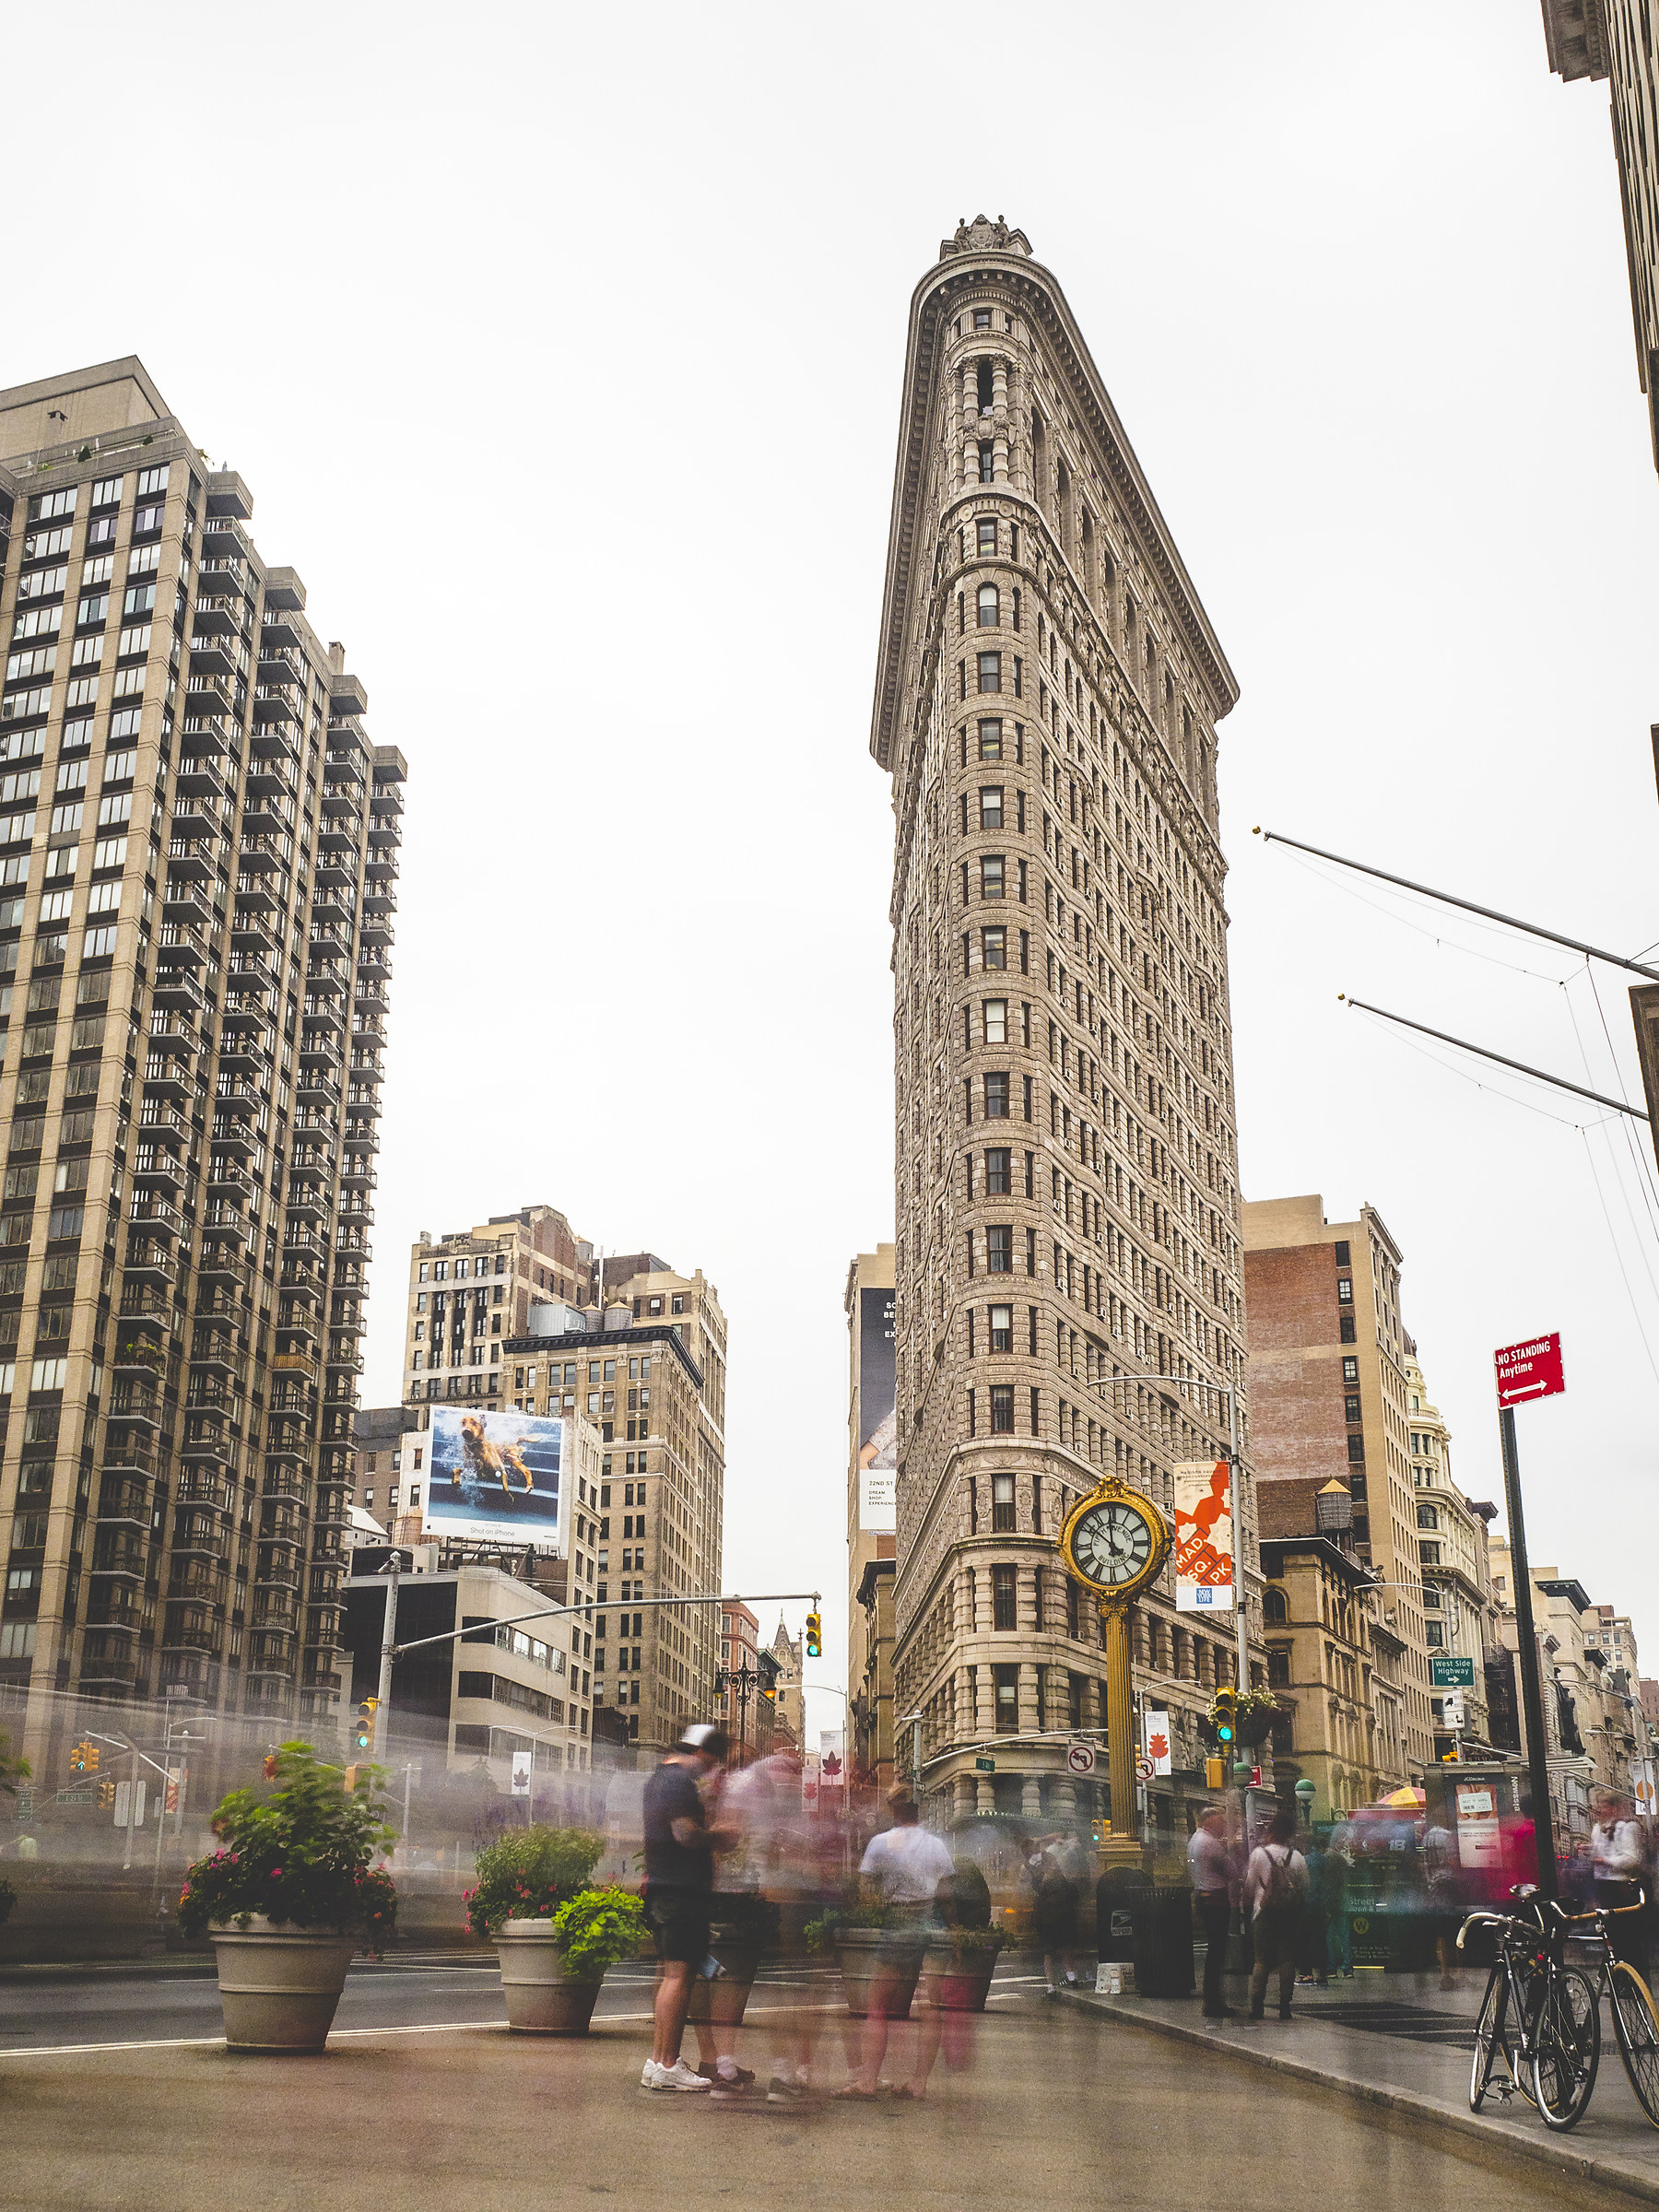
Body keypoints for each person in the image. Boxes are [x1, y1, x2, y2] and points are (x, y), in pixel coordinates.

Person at [836, 1786, 955, 2102]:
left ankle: (868, 2081)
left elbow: (866, 1889)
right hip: (933, 1919)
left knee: (877, 2004)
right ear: (919, 1810)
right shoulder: (937, 1845)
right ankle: (919, 2083)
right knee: (931, 2007)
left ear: (894, 1810)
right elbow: (947, 1892)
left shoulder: (881, 1842)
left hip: (900, 1919)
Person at [640, 1723, 729, 2092]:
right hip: (682, 1891)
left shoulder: (659, 1778)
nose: (710, 1770)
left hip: (664, 1887)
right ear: (702, 1752)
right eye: (712, 1761)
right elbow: (685, 1833)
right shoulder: (678, 1782)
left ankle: (658, 2061)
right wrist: (720, 1837)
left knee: (670, 1976)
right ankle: (668, 2063)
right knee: (679, 1977)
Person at [1244, 1807, 1308, 2022]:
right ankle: (1284, 2006)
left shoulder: (1259, 1854)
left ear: (1271, 1831)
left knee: (1261, 1960)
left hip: (1264, 1914)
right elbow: (1305, 1886)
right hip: (1289, 1915)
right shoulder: (1297, 1857)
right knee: (1287, 1959)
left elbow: (1250, 1885)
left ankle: (1257, 2006)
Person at [1588, 1792, 1649, 1974]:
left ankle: (1634, 1980)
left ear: (1614, 1808)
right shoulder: (1598, 1829)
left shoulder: (1626, 1827)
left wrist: (1607, 1861)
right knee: (1611, 1939)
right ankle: (1618, 1978)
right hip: (1603, 1887)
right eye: (1598, 1805)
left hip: (1621, 1889)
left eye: (1604, 1806)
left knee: (1628, 1940)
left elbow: (1633, 1858)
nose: (1599, 1810)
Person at [1188, 1806, 1235, 2019]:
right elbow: (1231, 1871)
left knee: (1214, 1952)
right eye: (1219, 1821)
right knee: (1217, 1953)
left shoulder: (1195, 1840)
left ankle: (1212, 2000)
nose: (1223, 1825)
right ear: (1208, 1821)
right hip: (1215, 1900)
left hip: (1202, 1897)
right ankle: (1213, 2001)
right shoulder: (1210, 1843)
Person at [1030, 1831, 1083, 1996]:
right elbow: (1075, 1896)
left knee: (1049, 1954)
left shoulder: (1041, 1885)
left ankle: (1051, 1986)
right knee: (1066, 1950)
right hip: (1064, 1919)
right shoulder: (1064, 1882)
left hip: (1047, 1922)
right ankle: (1072, 1978)